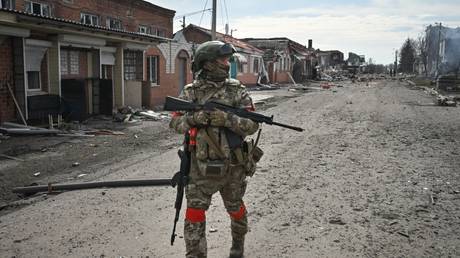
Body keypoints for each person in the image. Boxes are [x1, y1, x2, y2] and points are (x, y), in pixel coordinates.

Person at [169, 40, 261, 258]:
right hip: (199, 168)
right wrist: (195, 118)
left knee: (236, 209)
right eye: (223, 59)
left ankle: (238, 245)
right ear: (208, 63)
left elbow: (253, 125)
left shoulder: (236, 90)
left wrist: (228, 119)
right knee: (194, 215)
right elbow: (174, 124)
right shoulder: (191, 92)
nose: (227, 63)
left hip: (233, 166)